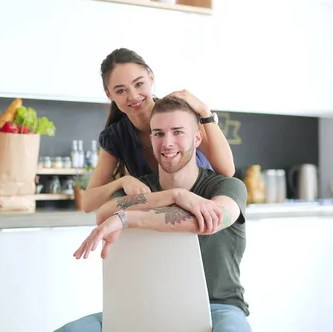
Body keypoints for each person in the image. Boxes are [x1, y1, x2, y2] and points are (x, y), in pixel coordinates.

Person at [55, 96, 250, 332]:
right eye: (158, 133)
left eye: (178, 132)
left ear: (197, 138)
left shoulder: (227, 187)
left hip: (218, 307)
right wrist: (175, 195)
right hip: (143, 307)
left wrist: (127, 218)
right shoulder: (139, 188)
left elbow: (211, 219)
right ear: (151, 138)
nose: (167, 142)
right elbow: (105, 213)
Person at [81, 48, 235, 213]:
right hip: (158, 226)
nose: (133, 96)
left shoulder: (178, 113)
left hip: (204, 211)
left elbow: (227, 170)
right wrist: (123, 181)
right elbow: (88, 203)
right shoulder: (116, 136)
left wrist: (204, 111)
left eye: (139, 84)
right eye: (121, 90)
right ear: (109, 95)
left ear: (151, 79)